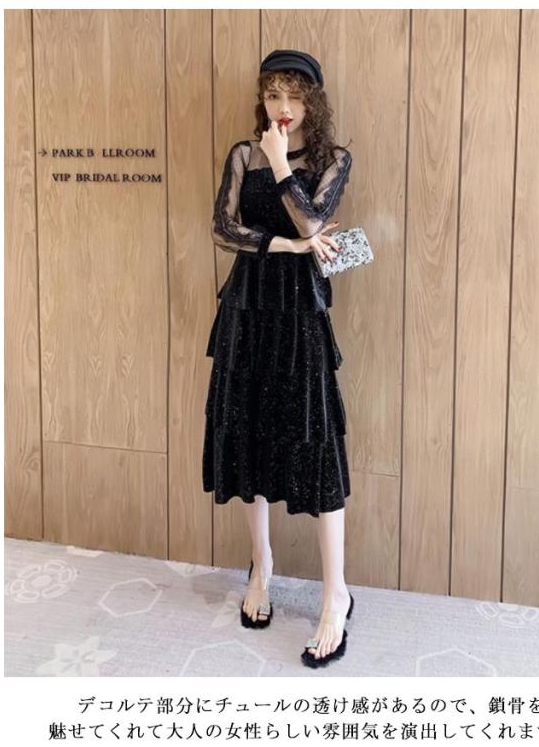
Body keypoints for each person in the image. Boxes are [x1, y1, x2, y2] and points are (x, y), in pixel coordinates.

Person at [202, 49, 354, 667]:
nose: (283, 108)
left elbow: (314, 221)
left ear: (313, 102)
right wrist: (285, 246)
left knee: (316, 443)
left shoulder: (333, 159)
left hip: (301, 318)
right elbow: (222, 229)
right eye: (273, 95)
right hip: (247, 309)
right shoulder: (243, 153)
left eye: (294, 96)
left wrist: (282, 166)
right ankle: (261, 566)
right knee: (250, 432)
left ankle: (335, 594)